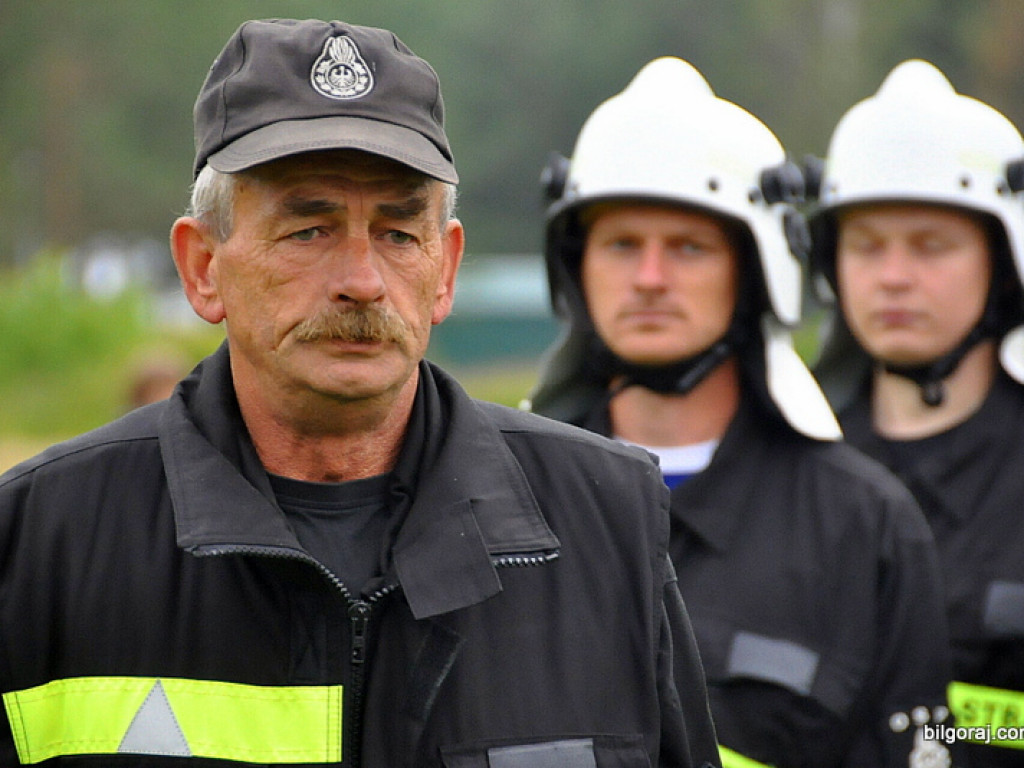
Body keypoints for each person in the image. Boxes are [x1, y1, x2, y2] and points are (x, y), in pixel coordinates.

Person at [0, 20, 720, 768]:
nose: (363, 281)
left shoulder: (607, 523)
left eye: (399, 234)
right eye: (309, 230)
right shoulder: (38, 544)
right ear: (203, 266)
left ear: (445, 271)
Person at [527, 57, 954, 768]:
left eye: (689, 248)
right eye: (622, 243)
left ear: (756, 272)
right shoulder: (502, 496)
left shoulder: (866, 526)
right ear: (577, 267)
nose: (650, 279)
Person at [810, 59, 1024, 767]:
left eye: (932, 245)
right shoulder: (780, 460)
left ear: (1004, 259)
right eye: (866, 245)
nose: (894, 275)